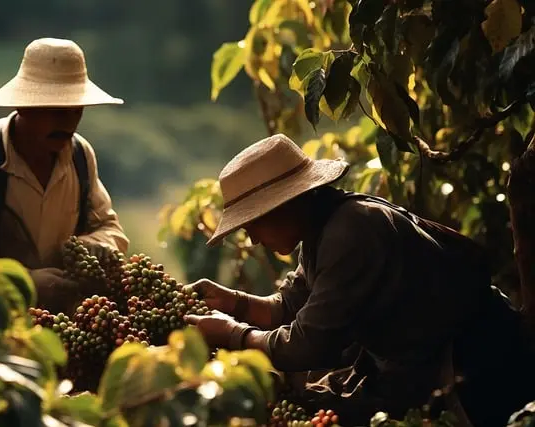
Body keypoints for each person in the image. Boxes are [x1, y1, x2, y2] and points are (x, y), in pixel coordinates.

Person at [184, 133, 535, 426]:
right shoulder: (321, 229)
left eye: (254, 225)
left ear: (284, 205)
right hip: (426, 366)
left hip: (475, 370)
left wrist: (233, 335)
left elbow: (306, 344)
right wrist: (233, 302)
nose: (255, 240)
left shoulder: (351, 231)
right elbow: (288, 306)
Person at [0, 38, 129, 313]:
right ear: (23, 107)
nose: (67, 123)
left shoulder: (80, 156)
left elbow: (111, 230)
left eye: (75, 110)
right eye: (54, 111)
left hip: (56, 327)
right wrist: (22, 279)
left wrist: (95, 245)